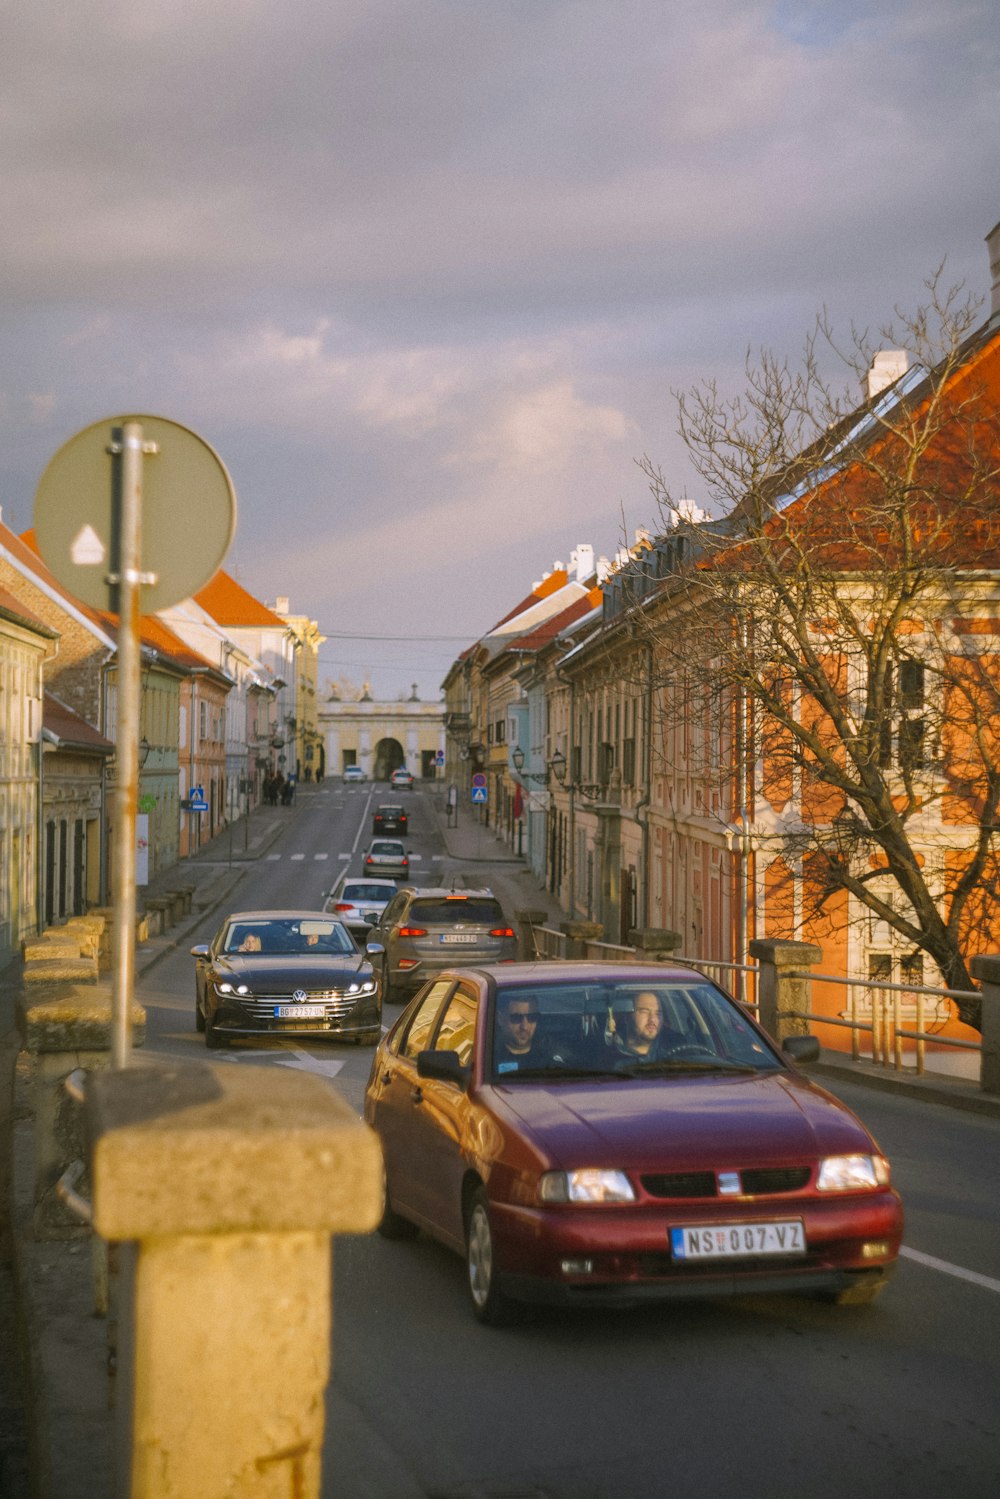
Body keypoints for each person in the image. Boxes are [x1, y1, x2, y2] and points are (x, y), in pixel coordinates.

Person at [494, 994, 562, 1071]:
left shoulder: (551, 1051)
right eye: (516, 1018)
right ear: (500, 1019)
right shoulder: (487, 1055)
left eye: (532, 1017)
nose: (525, 1027)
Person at [606, 991, 670, 1062]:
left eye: (658, 1013)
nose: (652, 1019)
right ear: (627, 1017)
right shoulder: (608, 1058)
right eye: (644, 1012)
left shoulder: (675, 1051)